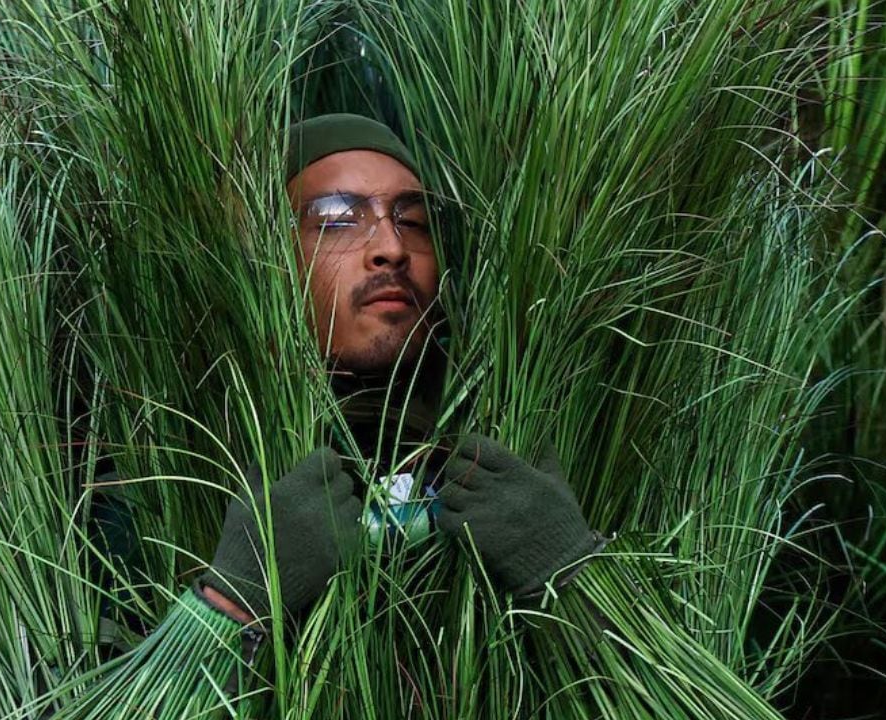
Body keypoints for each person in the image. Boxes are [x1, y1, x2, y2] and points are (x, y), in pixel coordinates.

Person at [73, 114, 603, 716]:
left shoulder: (536, 464)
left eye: (413, 221)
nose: (391, 248)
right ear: (267, 265)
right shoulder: (163, 488)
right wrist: (233, 601)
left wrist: (569, 572)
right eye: (335, 219)